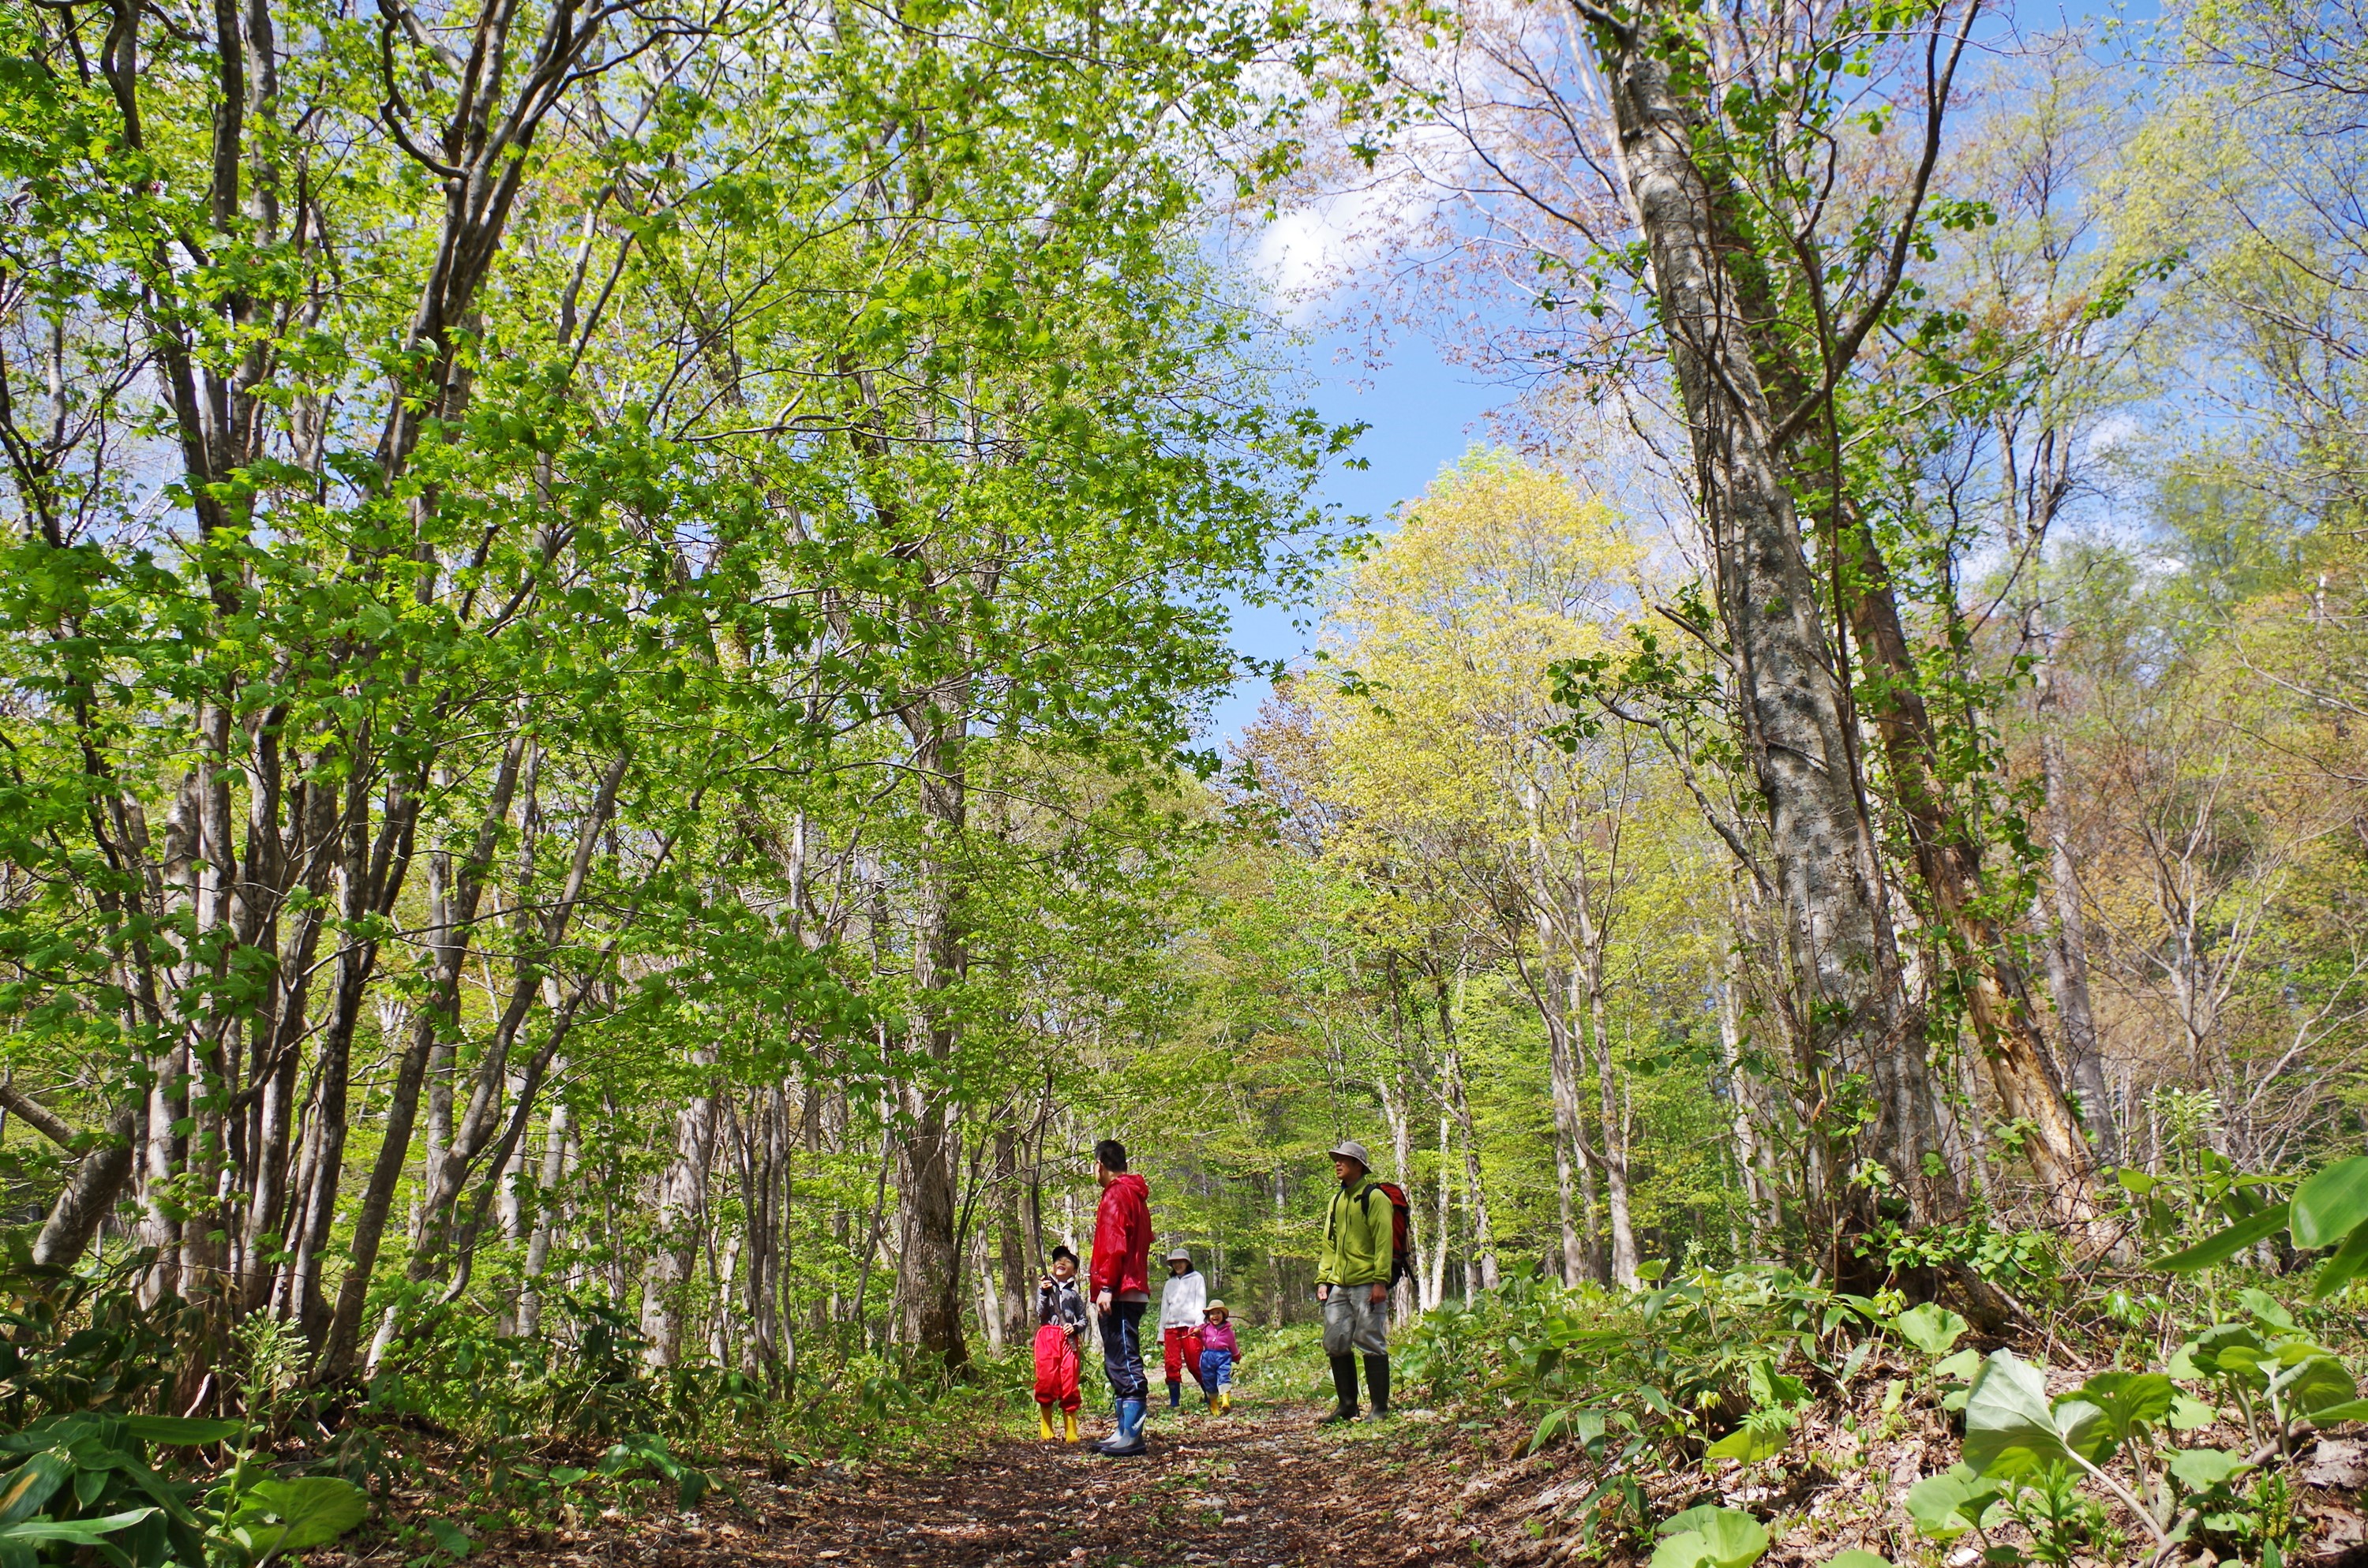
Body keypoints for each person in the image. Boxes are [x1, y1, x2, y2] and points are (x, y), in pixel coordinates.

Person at [1315, 1138, 1392, 1424]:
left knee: (1370, 1341)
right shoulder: (1336, 1200)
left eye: (1343, 1160)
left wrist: (1380, 1281)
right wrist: (1324, 1279)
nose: (1337, 1163)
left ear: (1358, 1166)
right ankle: (1347, 1406)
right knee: (1335, 1342)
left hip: (1367, 1283)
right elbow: (1328, 1243)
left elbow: (1384, 1242)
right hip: (1339, 1283)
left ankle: (1379, 1409)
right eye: (1336, 1158)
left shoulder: (1375, 1199)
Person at [1087, 1137, 1154, 1456]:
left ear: (1100, 1164)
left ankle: (1133, 1434)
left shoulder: (1117, 1195)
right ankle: (1122, 1431)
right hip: (1128, 1288)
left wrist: (1107, 1288)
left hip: (1121, 1291)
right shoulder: (1135, 1196)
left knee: (1125, 1360)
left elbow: (1114, 1244)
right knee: (1117, 1360)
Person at [1033, 1245, 1088, 1442]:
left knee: (1069, 1381)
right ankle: (1046, 1427)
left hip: (1068, 1341)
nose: (1062, 1263)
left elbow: (1084, 1320)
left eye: (1067, 1260)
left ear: (1074, 1270)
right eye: (1058, 1260)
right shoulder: (1046, 1289)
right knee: (1047, 1379)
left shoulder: (1074, 1295)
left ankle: (1071, 1429)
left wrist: (1074, 1328)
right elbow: (1040, 1312)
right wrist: (1043, 1292)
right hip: (1048, 1337)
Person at [1157, 1247, 1206, 1411]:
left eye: (1181, 1261)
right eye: (1175, 1262)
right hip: (1171, 1328)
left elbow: (1201, 1302)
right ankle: (1174, 1401)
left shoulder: (1197, 1278)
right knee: (1172, 1364)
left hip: (1190, 1327)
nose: (1178, 1265)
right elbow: (1165, 1308)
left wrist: (1198, 1325)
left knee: (1194, 1362)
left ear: (1187, 1262)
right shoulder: (1169, 1284)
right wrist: (1161, 1333)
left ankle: (1209, 1393)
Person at [1196, 1300, 1240, 1413]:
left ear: (1223, 1315)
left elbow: (1233, 1345)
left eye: (1218, 1313)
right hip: (1208, 1357)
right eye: (1212, 1313)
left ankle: (1226, 1402)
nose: (1215, 1316)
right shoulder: (1204, 1328)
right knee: (1209, 1380)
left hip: (1223, 1357)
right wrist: (1195, 1331)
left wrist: (1236, 1357)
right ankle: (1214, 1404)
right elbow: (1193, 1331)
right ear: (1208, 1316)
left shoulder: (1228, 1332)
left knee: (1224, 1377)